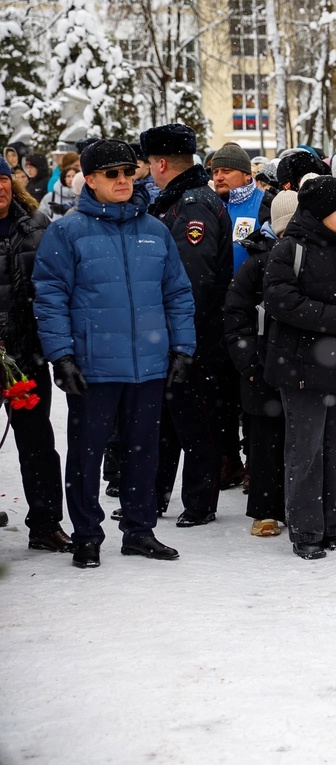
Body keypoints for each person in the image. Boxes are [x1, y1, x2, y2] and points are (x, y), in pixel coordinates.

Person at [33, 139, 195, 568]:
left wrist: (182, 348)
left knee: (144, 451)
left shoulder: (155, 230)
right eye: (111, 174)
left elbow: (177, 293)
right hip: (94, 366)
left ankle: (140, 531)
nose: (123, 180)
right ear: (89, 179)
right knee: (87, 454)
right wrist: (62, 355)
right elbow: (49, 297)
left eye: (128, 171)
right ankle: (87, 535)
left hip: (149, 363)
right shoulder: (66, 231)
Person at [262, 176, 336, 559]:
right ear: (319, 213)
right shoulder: (290, 249)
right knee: (306, 451)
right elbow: (281, 301)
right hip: (302, 367)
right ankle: (306, 529)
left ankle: (334, 523)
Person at [141, 123, 234, 527]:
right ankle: (155, 495)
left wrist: (182, 339)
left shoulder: (192, 205)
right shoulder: (174, 200)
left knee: (197, 422)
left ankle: (199, 502)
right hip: (170, 333)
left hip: (192, 335)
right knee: (168, 421)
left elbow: (192, 281)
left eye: (147, 162)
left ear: (161, 163)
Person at [0, 158, 69, 552]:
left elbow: (56, 286)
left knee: (37, 444)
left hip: (26, 354)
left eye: (3, 180)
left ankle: (45, 523)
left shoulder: (38, 227)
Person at [223, 191, 296, 538]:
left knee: (300, 439)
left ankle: (299, 504)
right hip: (263, 366)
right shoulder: (256, 264)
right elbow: (236, 315)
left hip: (301, 365)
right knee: (264, 442)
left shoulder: (307, 260)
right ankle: (265, 510)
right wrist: (249, 360)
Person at [207, 142, 266, 271]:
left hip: (252, 288)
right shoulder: (208, 205)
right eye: (215, 172)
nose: (219, 177)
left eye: (226, 171)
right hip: (217, 288)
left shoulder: (265, 203)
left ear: (247, 175)